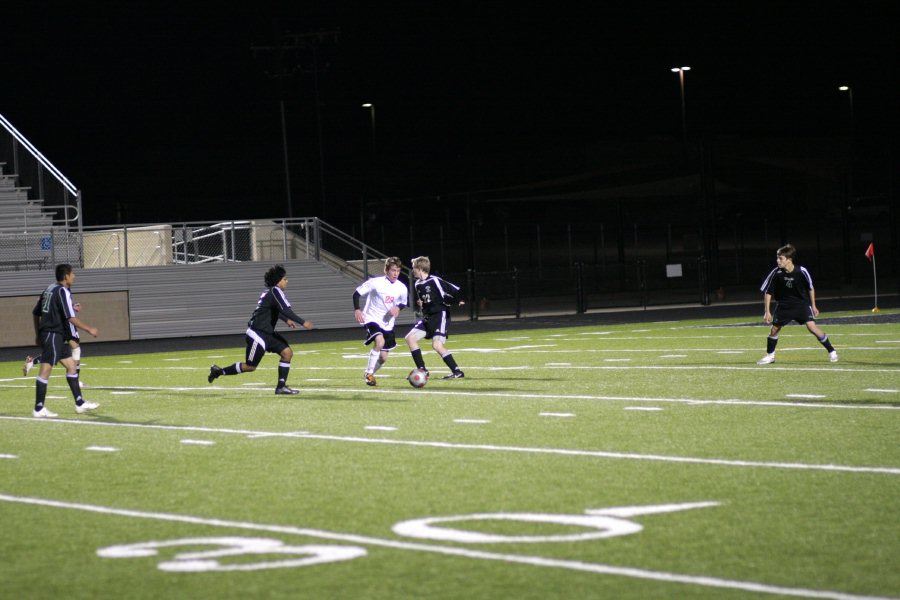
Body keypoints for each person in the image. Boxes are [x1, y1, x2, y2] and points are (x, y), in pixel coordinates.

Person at [207, 264, 313, 394]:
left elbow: (276, 310)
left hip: (268, 333)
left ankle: (281, 387)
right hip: (258, 333)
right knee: (250, 366)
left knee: (287, 353)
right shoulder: (275, 291)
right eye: (285, 279)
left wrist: (286, 320)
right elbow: (285, 309)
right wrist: (303, 322)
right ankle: (219, 371)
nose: (287, 281)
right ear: (278, 281)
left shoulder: (270, 292)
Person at [30, 264, 99, 417]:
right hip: (53, 333)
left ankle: (80, 403)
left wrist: (37, 334)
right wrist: (89, 329)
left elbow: (35, 313)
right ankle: (39, 408)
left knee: (71, 366)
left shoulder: (49, 289)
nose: (74, 276)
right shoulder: (62, 291)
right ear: (66, 276)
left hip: (53, 334)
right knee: (46, 370)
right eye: (72, 273)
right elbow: (71, 317)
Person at [757, 244, 838, 365]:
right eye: (777, 258)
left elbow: (810, 288)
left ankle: (832, 351)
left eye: (781, 258)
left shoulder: (801, 271)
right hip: (783, 305)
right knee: (774, 330)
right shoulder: (776, 272)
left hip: (801, 304)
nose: (778, 261)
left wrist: (813, 305)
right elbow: (768, 292)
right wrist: (767, 311)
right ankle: (770, 356)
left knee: (812, 327)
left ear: (789, 260)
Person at [404, 256, 465, 379]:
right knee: (410, 338)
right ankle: (423, 370)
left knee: (436, 345)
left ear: (420, 268)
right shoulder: (417, 284)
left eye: (414, 268)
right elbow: (425, 299)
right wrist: (421, 303)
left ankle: (457, 371)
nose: (412, 270)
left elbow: (455, 289)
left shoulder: (435, 280)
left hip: (440, 315)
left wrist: (459, 299)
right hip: (428, 317)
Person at [353, 256, 408, 386]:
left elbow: (403, 303)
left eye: (398, 271)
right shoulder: (375, 282)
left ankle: (369, 372)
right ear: (386, 270)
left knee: (383, 358)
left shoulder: (402, 287)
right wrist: (357, 310)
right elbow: (356, 294)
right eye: (393, 270)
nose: (396, 274)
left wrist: (398, 308)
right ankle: (369, 374)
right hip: (371, 318)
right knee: (379, 340)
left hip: (388, 324)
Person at [24, 299, 85, 386]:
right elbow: (59, 305)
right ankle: (75, 380)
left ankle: (32, 361)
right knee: (75, 350)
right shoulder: (59, 290)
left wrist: (72, 306)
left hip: (56, 325)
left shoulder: (53, 291)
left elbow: (58, 304)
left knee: (57, 350)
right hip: (66, 323)